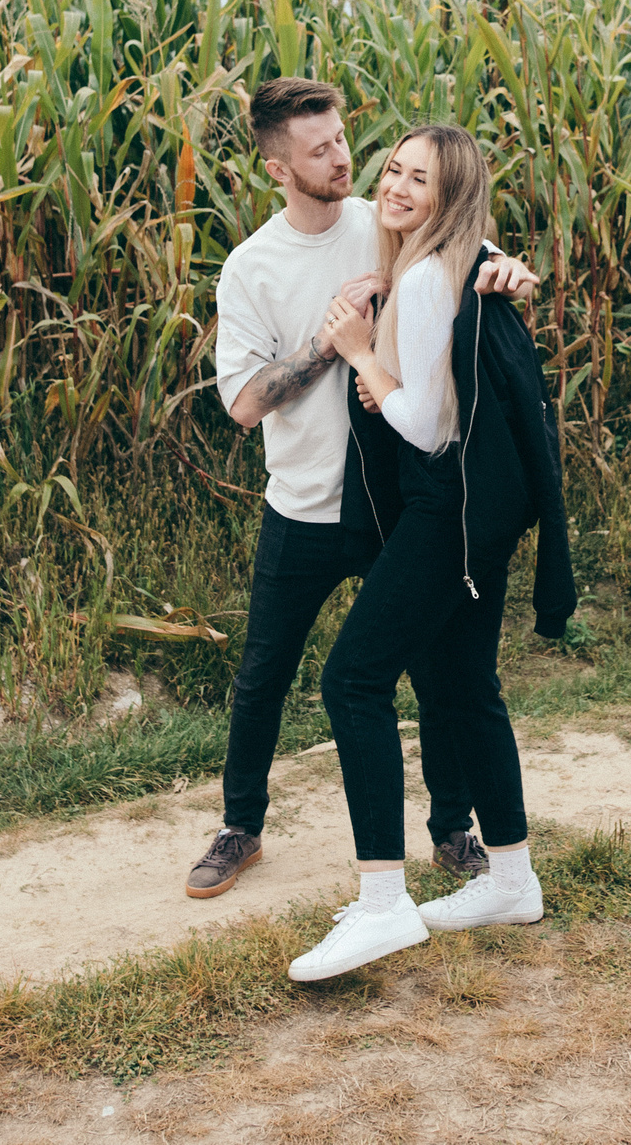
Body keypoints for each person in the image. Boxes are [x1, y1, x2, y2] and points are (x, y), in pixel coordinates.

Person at [188, 79, 539, 900]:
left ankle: (452, 827)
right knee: (264, 672)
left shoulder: (377, 221)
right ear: (279, 168)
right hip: (304, 502)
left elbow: (453, 246)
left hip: (392, 500)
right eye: (320, 150)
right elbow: (242, 405)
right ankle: (241, 825)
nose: (346, 158)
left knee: (437, 669)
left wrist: (504, 267)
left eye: (343, 139)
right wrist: (332, 341)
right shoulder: (251, 268)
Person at [285, 122, 572, 983]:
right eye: (396, 171)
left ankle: (381, 905)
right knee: (461, 686)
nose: (402, 187)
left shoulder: (421, 282)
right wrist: (505, 262)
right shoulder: (451, 256)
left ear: (451, 196)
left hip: (446, 508)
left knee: (354, 679)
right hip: (482, 512)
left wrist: (358, 354)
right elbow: (486, 255)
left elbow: (424, 425)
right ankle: (511, 880)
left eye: (424, 179)